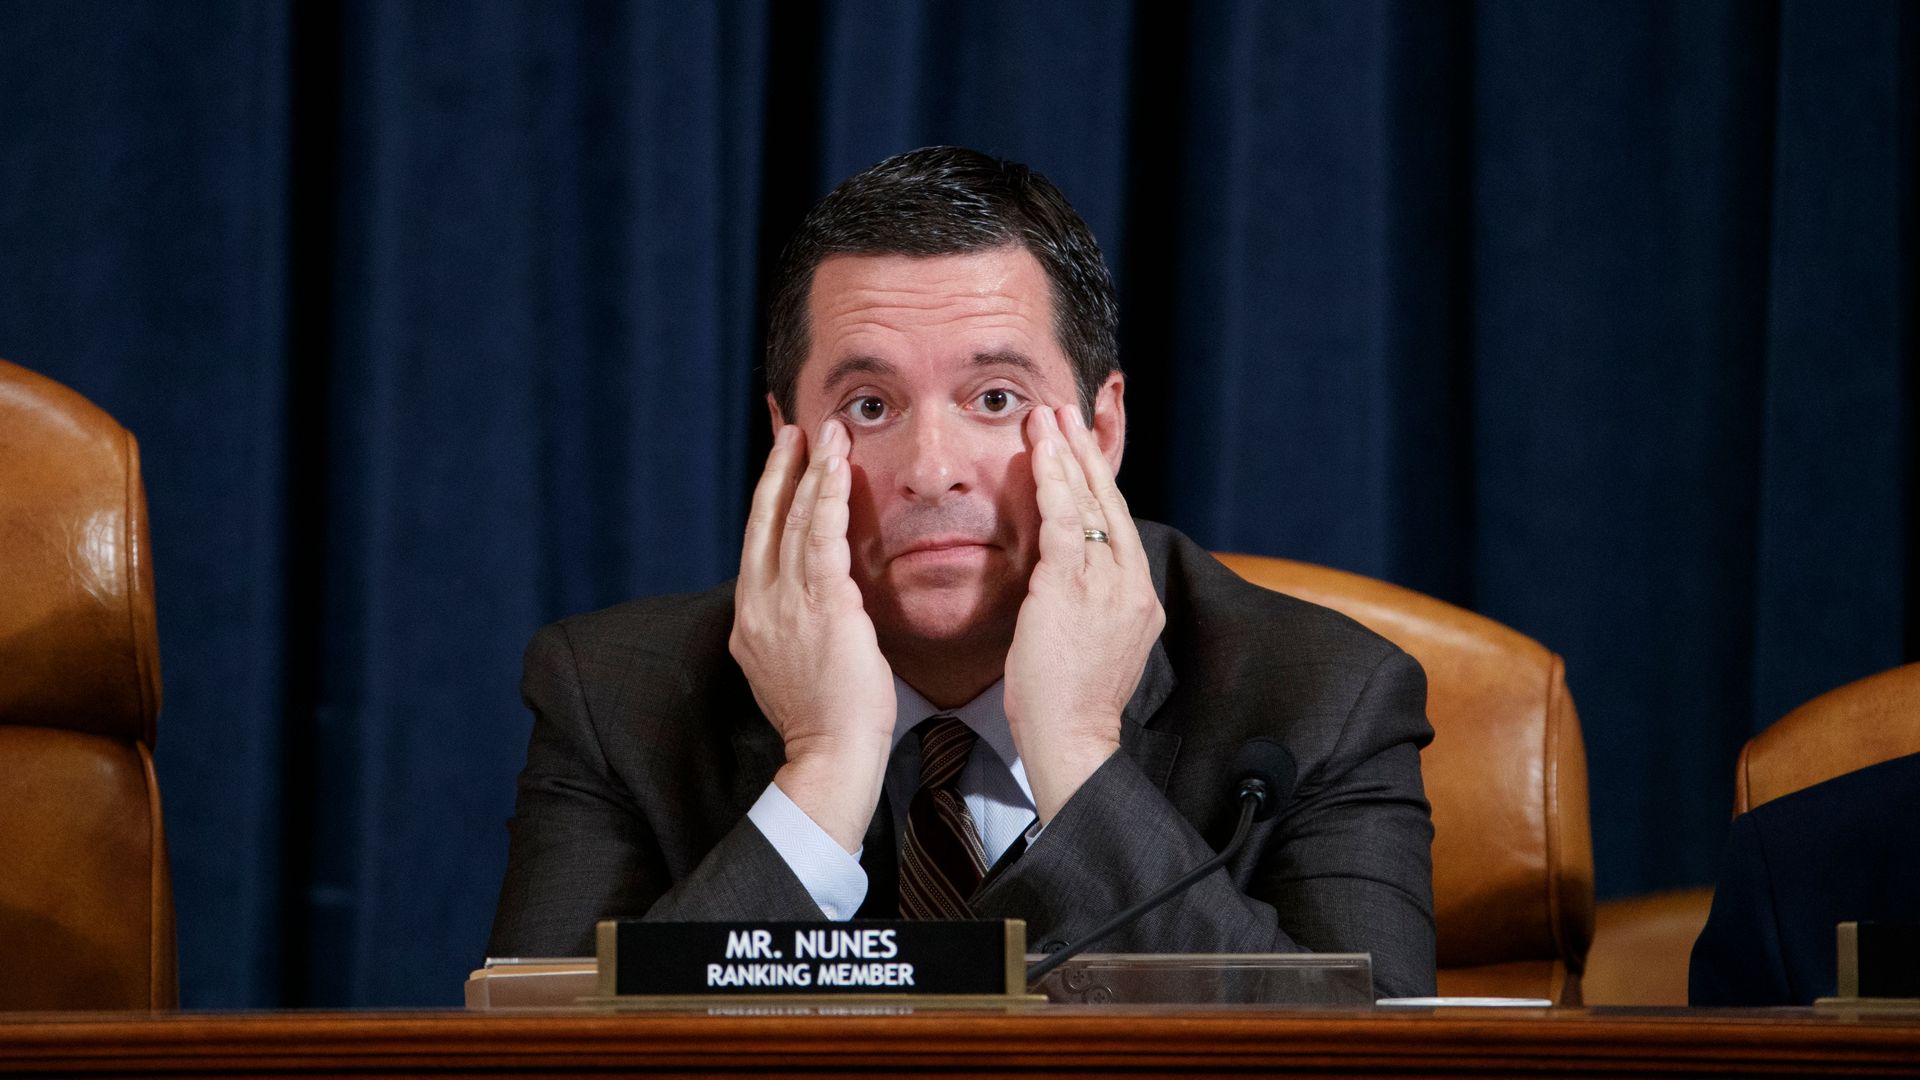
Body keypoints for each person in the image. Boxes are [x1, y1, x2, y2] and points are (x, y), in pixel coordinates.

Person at [487, 146, 1438, 997]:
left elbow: (1368, 1072)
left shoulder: (1323, 699)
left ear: (1102, 430)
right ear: (786, 439)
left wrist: (1077, 751)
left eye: (994, 398)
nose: (930, 467)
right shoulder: (612, 697)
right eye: (868, 406)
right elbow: (544, 1075)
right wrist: (824, 768)